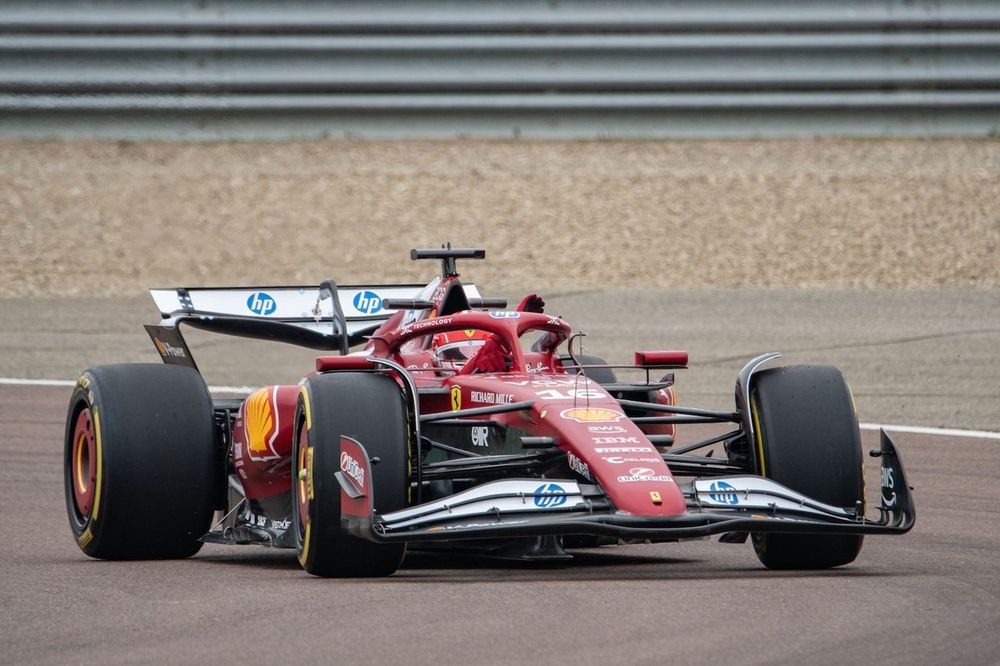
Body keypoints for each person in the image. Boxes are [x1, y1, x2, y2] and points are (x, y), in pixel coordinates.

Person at [431, 294, 545, 374]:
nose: (464, 359)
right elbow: (462, 374)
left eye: (475, 349)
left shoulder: (492, 361)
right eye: (454, 355)